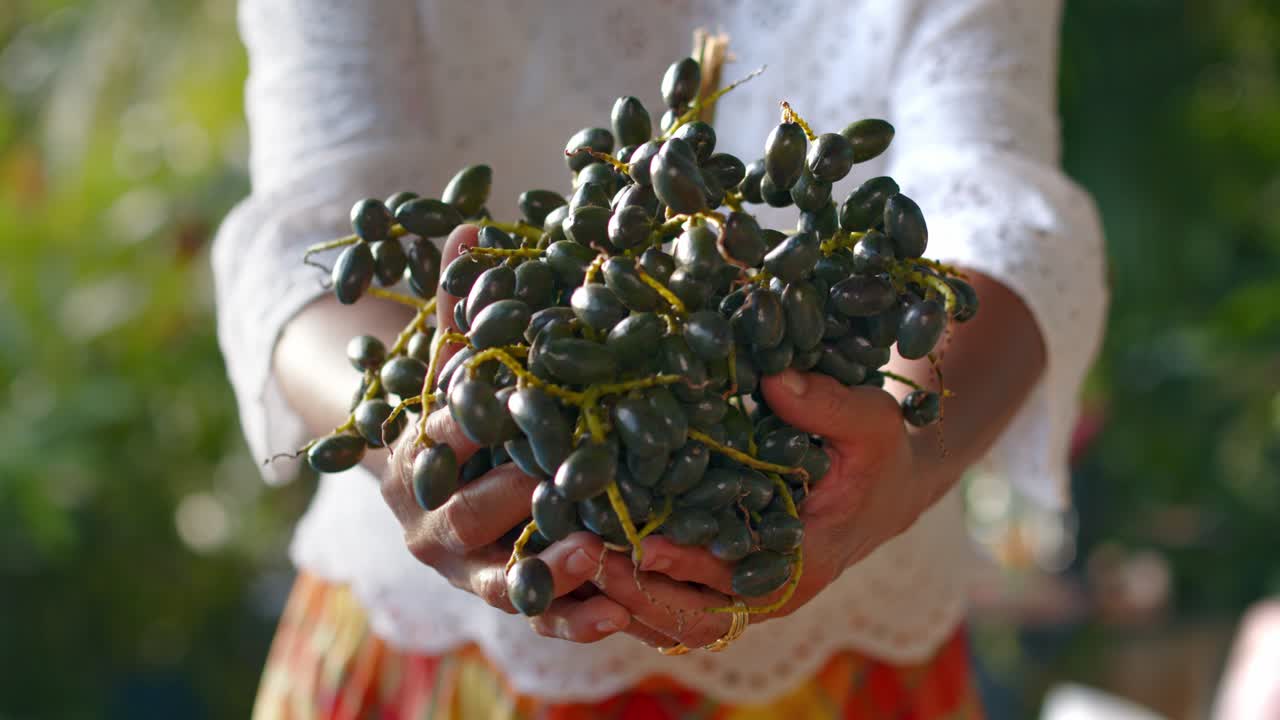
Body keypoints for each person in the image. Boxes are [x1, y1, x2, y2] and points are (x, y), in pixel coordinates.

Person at [213, 0, 1107, 716]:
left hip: (848, 650)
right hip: (431, 649)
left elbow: (997, 202)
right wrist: (423, 440)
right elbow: (312, 224)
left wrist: (907, 459)